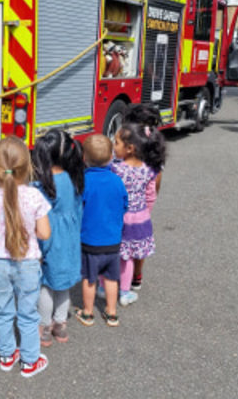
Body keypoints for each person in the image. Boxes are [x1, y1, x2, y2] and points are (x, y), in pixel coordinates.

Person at [0, 137, 51, 378]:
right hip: (28, 263)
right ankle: (30, 361)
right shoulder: (35, 197)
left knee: (1, 311)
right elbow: (44, 233)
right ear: (27, 166)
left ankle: (7, 355)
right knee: (29, 313)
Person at [31, 130, 84, 346]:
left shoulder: (41, 185)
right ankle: (60, 325)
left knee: (46, 285)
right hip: (70, 241)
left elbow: (39, 222)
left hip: (49, 240)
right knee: (63, 286)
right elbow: (78, 212)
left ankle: (43, 327)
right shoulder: (76, 180)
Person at [107, 123, 166, 306]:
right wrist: (145, 213)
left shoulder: (115, 169)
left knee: (114, 252)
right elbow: (151, 195)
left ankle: (104, 287)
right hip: (140, 218)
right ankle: (125, 292)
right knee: (129, 256)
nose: (113, 146)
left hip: (120, 217)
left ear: (130, 148)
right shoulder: (149, 170)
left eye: (116, 143)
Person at [76, 135, 127, 327]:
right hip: (113, 240)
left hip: (90, 240)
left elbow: (78, 207)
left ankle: (88, 313)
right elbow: (124, 205)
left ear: (85, 158)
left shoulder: (84, 182)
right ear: (111, 157)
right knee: (112, 278)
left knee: (90, 279)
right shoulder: (117, 181)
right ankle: (112, 313)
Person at [123, 104, 166, 290]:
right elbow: (157, 182)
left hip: (127, 204)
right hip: (144, 206)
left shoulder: (127, 148)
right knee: (140, 238)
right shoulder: (155, 146)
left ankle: (122, 274)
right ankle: (136, 276)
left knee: (124, 238)